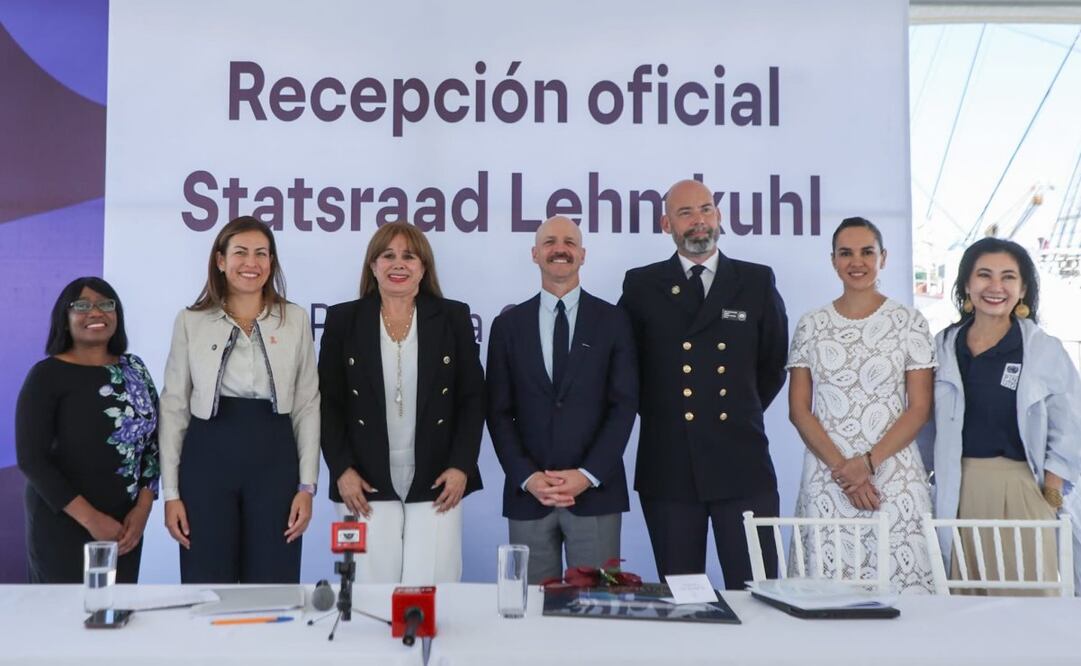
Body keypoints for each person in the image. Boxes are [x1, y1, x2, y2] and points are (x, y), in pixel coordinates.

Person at [619, 179, 788, 589]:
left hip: (742, 462)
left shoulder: (756, 281)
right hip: (670, 465)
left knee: (758, 593)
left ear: (719, 216)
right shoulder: (641, 286)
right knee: (684, 598)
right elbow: (627, 370)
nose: (699, 221)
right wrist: (671, 415)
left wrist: (736, 412)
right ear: (666, 224)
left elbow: (773, 365)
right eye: (686, 213)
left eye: (706, 209)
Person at [319, 221, 484, 584]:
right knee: (368, 588)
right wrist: (341, 470)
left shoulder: (452, 317)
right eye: (388, 255)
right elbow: (327, 403)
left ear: (423, 268)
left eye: (409, 256)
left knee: (432, 587)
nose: (399, 264)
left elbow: (472, 399)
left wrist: (461, 467)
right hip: (362, 479)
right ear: (372, 266)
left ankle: (427, 645)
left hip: (439, 476)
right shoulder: (344, 319)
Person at [159, 216, 320, 583]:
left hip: (275, 461)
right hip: (207, 461)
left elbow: (308, 404)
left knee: (272, 584)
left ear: (272, 262)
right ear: (220, 260)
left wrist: (306, 486)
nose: (252, 263)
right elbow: (174, 407)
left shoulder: (294, 319)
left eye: (261, 254)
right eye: (241, 253)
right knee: (208, 583)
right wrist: (171, 494)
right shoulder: (191, 321)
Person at [920, 237, 1081, 594]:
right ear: (966, 284)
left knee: (1026, 604)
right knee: (962, 603)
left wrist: (1050, 494)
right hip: (956, 488)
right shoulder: (943, 346)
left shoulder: (1042, 349)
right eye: (984, 275)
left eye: (1008, 277)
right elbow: (922, 421)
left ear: (1023, 289)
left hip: (1022, 489)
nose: (995, 287)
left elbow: (1070, 426)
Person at [787, 217, 936, 592]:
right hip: (828, 477)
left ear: (883, 258)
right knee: (825, 594)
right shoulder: (811, 324)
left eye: (867, 252)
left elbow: (919, 408)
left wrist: (867, 464)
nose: (858, 261)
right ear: (833, 260)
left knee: (903, 593)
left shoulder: (909, 322)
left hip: (892, 476)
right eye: (846, 253)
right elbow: (799, 410)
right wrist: (845, 471)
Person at [487, 216, 638, 584]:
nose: (560, 249)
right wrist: (527, 477)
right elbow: (498, 411)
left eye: (570, 243)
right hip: (529, 496)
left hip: (596, 493)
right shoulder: (507, 327)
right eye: (551, 242)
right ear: (535, 254)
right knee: (531, 613)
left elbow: (624, 405)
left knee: (599, 609)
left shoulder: (614, 320)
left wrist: (587, 475)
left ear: (583, 255)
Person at [16, 277, 159, 583]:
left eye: (106, 304)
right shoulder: (47, 375)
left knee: (115, 617)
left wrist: (143, 509)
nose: (96, 312)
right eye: (82, 306)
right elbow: (32, 459)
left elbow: (153, 444)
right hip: (65, 521)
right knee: (64, 622)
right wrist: (92, 520)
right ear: (64, 319)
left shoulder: (135, 369)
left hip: (126, 527)